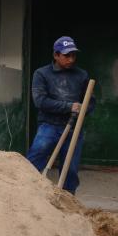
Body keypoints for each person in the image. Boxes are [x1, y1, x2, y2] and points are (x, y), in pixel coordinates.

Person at [26, 36, 92, 194]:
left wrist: (84, 109)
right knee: (32, 163)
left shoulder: (81, 75)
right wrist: (69, 107)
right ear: (56, 55)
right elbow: (40, 101)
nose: (71, 59)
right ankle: (25, 193)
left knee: (70, 171)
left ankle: (68, 200)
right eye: (66, 55)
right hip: (48, 126)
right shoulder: (42, 74)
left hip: (73, 129)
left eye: (73, 55)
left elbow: (90, 102)